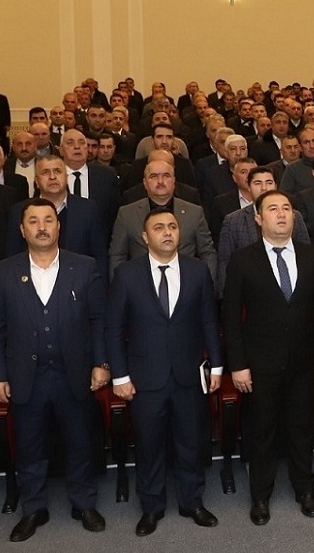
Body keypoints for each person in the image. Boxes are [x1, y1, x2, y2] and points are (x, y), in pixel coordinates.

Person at [0, 198, 108, 542]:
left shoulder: (84, 266)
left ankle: (83, 503)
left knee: (80, 443)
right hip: (26, 377)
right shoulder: (4, 270)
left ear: (58, 226)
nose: (42, 227)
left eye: (48, 220)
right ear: (22, 230)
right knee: (29, 447)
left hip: (75, 374)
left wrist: (101, 363)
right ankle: (33, 508)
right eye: (34, 221)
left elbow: (100, 320)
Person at [106, 209, 223, 536]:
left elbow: (209, 321)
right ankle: (151, 507)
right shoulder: (127, 274)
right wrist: (120, 376)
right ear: (146, 237)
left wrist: (216, 365)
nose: (167, 232)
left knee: (190, 442)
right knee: (149, 445)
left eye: (172, 226)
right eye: (159, 228)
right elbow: (113, 329)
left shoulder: (197, 271)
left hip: (189, 376)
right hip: (145, 378)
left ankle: (192, 502)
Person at [223, 190, 314, 526]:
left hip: (305, 362)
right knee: (263, 432)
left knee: (302, 428)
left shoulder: (313, 255)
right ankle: (260, 495)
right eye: (273, 209)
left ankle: (305, 489)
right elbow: (231, 318)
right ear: (259, 218)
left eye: (286, 208)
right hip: (260, 364)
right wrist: (238, 365)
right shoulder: (242, 259)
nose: (282, 214)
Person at [108, 156, 216, 280]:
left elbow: (208, 253)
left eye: (166, 175)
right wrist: (120, 286)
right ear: (145, 183)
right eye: (154, 176)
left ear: (174, 181)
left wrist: (207, 285)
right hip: (140, 285)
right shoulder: (126, 214)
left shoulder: (195, 213)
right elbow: (117, 255)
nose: (160, 181)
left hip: (187, 284)